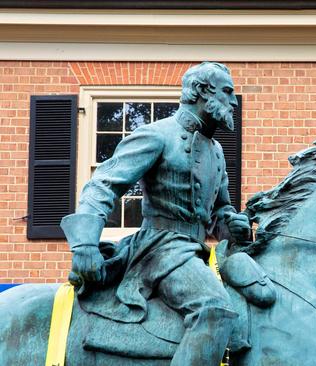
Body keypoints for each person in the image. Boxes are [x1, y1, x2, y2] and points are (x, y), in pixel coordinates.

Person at [60, 62, 251, 365]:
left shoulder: (216, 151)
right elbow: (104, 184)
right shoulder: (157, 135)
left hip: (195, 251)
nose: (234, 101)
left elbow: (217, 213)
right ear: (202, 91)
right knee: (213, 308)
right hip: (161, 249)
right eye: (227, 92)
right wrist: (84, 244)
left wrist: (232, 225)